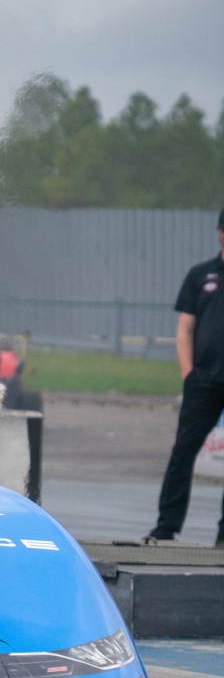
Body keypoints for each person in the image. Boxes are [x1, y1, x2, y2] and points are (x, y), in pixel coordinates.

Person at [145, 208, 224, 546]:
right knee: (183, 452)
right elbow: (185, 329)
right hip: (203, 379)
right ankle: (166, 527)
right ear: (219, 232)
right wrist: (188, 373)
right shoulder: (201, 275)